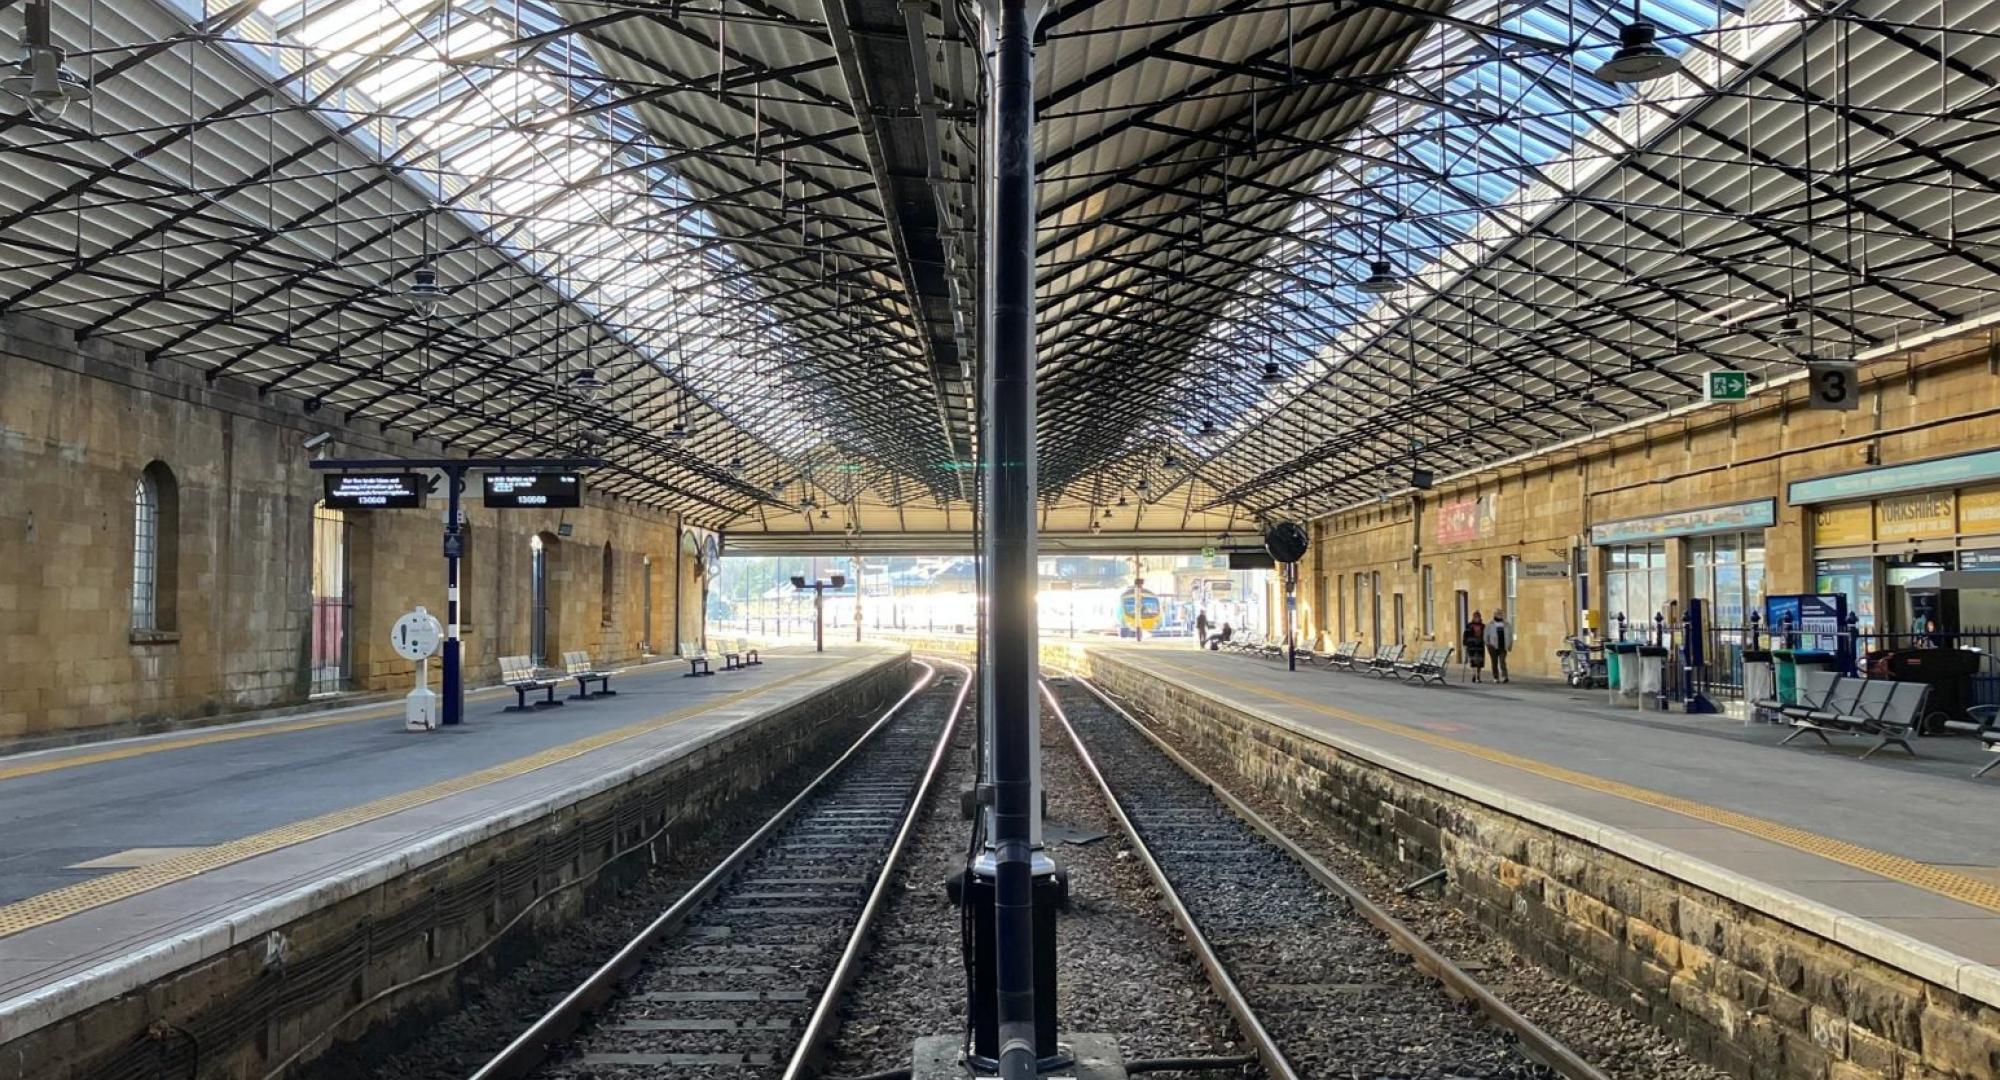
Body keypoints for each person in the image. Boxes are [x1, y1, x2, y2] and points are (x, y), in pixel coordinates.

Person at [1485, 609, 1512, 684]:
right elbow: (1486, 635)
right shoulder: (1490, 624)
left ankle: (1504, 676)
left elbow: (1510, 636)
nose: (1500, 615)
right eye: (1498, 613)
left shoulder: (1507, 625)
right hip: (1492, 646)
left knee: (1502, 661)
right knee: (1494, 662)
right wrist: (1487, 644)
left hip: (1503, 646)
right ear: (1494, 615)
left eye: (1501, 613)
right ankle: (1495, 677)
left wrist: (1510, 645)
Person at [1463, 610, 1487, 683]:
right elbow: (1465, 635)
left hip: (1480, 645)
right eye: (1476, 617)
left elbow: (1485, 635)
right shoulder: (1469, 625)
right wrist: (1465, 643)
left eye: (1478, 617)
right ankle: (1474, 675)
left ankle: (1478, 676)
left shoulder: (1483, 626)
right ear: (1473, 617)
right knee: (1473, 661)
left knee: (1480, 661)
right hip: (1472, 645)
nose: (1477, 618)